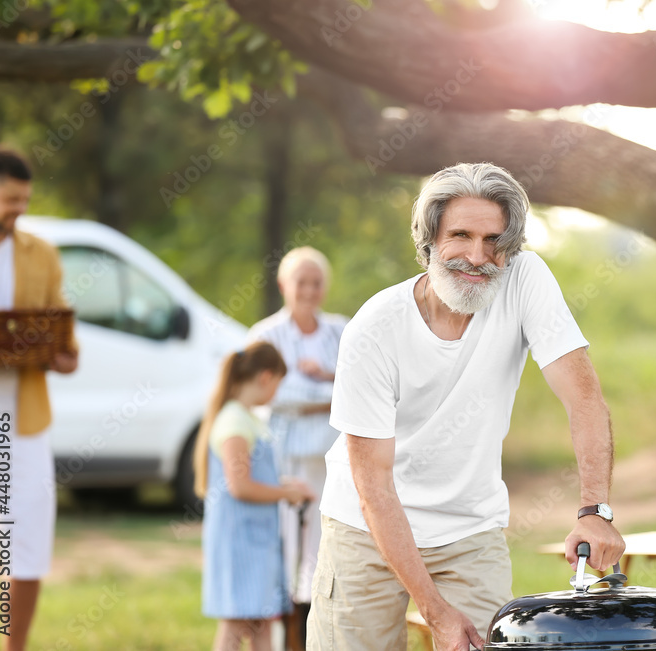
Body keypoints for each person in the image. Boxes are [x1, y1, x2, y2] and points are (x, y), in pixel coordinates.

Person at [311, 162, 625, 651]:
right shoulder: (373, 330)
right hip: (365, 527)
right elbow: (372, 485)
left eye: (494, 240)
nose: (477, 256)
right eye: (460, 234)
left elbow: (584, 399)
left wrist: (595, 510)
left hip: (469, 528)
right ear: (429, 240)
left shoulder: (525, 280)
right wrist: (435, 612)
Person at [0, 146, 78, 651]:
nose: (19, 209)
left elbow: (64, 338)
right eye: (11, 199)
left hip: (23, 421)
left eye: (25, 200)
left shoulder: (43, 254)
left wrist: (62, 356)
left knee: (28, 546)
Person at [247, 246, 347, 649]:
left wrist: (325, 377)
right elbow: (272, 394)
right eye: (300, 282)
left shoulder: (342, 330)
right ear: (284, 285)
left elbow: (369, 384)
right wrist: (331, 392)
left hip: (331, 463)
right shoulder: (265, 334)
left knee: (324, 552)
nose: (308, 291)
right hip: (282, 461)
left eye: (316, 283)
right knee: (284, 551)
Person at [194, 342, 315, 651]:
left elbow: (256, 476)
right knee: (235, 625)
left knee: (263, 622)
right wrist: (284, 493)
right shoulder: (234, 422)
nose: (276, 392)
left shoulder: (247, 419)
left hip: (256, 542)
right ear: (265, 377)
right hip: (240, 544)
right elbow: (240, 485)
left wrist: (288, 486)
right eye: (278, 384)